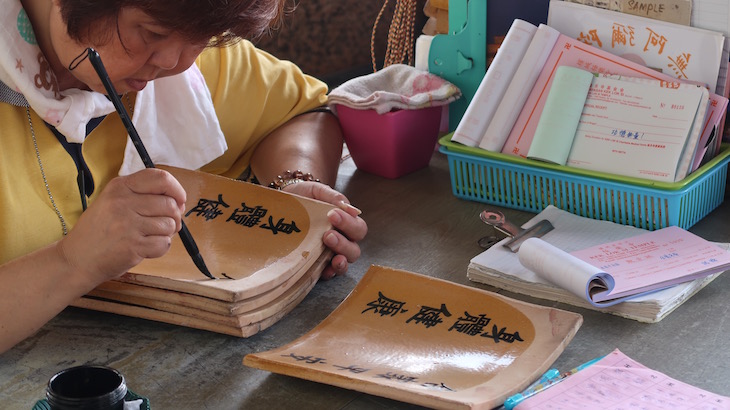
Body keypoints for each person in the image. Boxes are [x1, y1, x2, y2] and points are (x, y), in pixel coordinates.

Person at [0, 0, 368, 353]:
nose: (173, 62)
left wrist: (292, 188)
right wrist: (72, 262)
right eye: (150, 32)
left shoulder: (182, 34)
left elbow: (305, 112)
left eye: (199, 39)